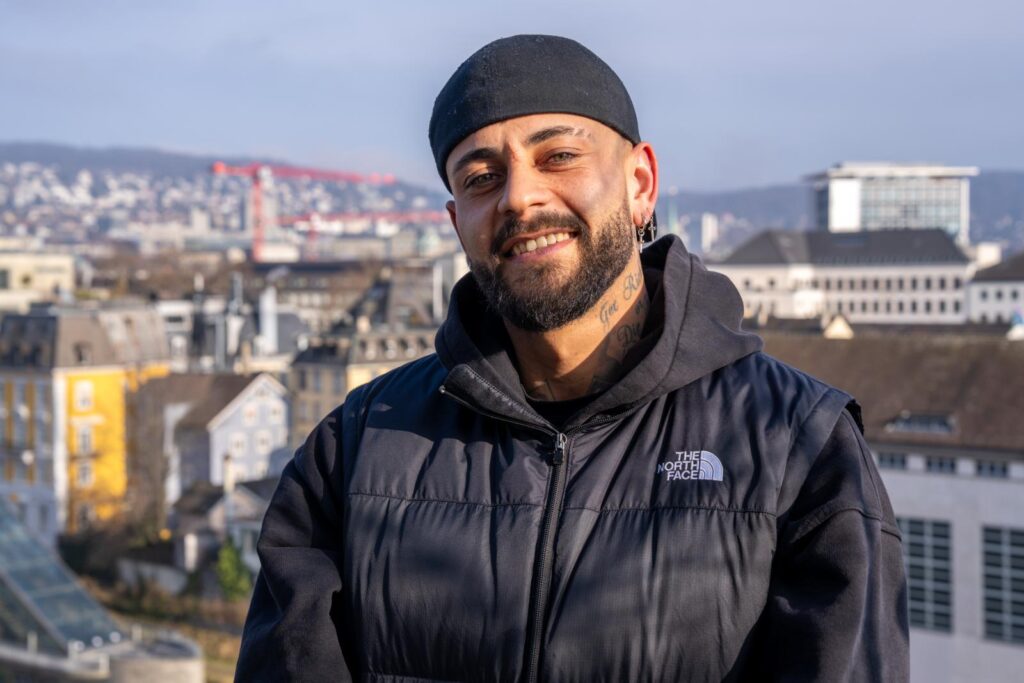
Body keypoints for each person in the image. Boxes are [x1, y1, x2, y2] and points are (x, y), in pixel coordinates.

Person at [236, 35, 908, 682]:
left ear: (640, 182)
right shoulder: (355, 448)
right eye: (481, 177)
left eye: (558, 156)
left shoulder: (798, 446)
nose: (519, 197)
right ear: (456, 221)